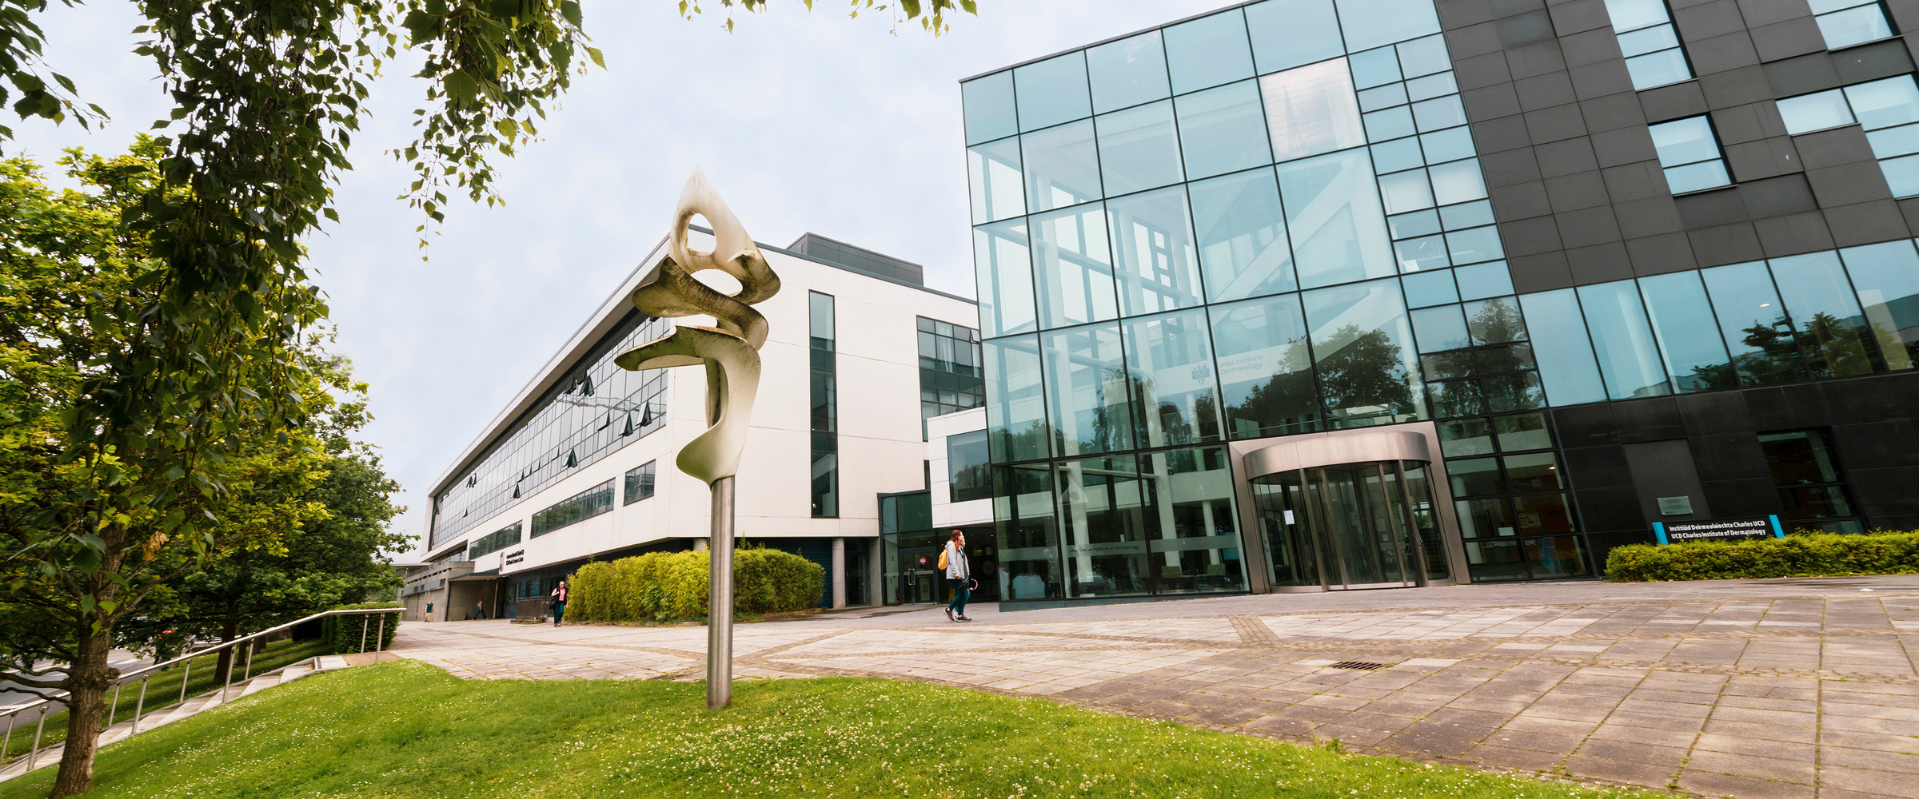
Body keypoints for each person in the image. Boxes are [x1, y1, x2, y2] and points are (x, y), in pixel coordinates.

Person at [942, 530, 972, 622]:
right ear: (958, 536)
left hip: (961, 575)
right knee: (964, 593)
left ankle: (959, 614)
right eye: (962, 535)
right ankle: (949, 609)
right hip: (954, 576)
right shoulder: (952, 547)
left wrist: (966, 573)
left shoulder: (959, 548)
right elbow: (952, 561)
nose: (963, 537)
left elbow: (963, 562)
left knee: (963, 593)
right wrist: (957, 573)